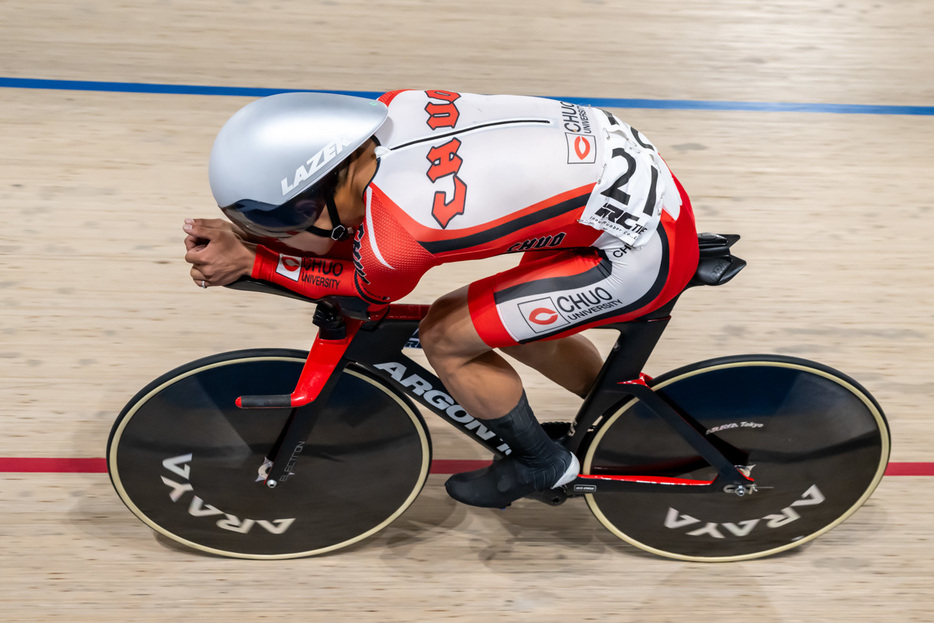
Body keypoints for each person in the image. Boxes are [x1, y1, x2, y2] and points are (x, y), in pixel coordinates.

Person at [184, 89, 700, 509]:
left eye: (290, 214)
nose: (288, 227)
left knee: (446, 335)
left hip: (637, 251)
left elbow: (364, 287)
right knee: (508, 324)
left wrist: (256, 260)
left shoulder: (400, 238)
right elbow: (341, 226)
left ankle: (544, 465)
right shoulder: (396, 106)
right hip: (624, 191)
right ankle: (630, 418)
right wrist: (253, 237)